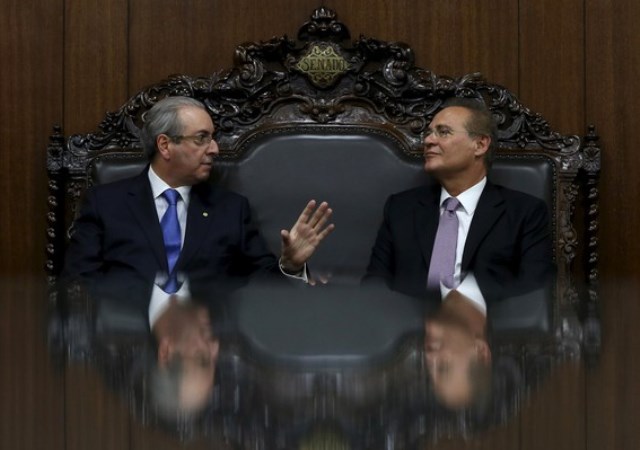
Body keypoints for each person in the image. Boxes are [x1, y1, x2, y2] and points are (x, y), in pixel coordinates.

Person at [62, 96, 334, 288]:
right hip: (131, 348)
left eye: (212, 138)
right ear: (165, 145)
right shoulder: (106, 204)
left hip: (210, 346)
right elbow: (78, 282)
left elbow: (260, 286)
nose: (214, 148)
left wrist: (289, 265)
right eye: (202, 138)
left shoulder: (231, 209)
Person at [364, 97, 554, 305]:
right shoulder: (401, 208)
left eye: (443, 132)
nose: (428, 141)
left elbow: (534, 292)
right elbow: (374, 285)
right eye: (428, 133)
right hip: (408, 332)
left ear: (480, 144)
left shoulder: (525, 213)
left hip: (486, 332)